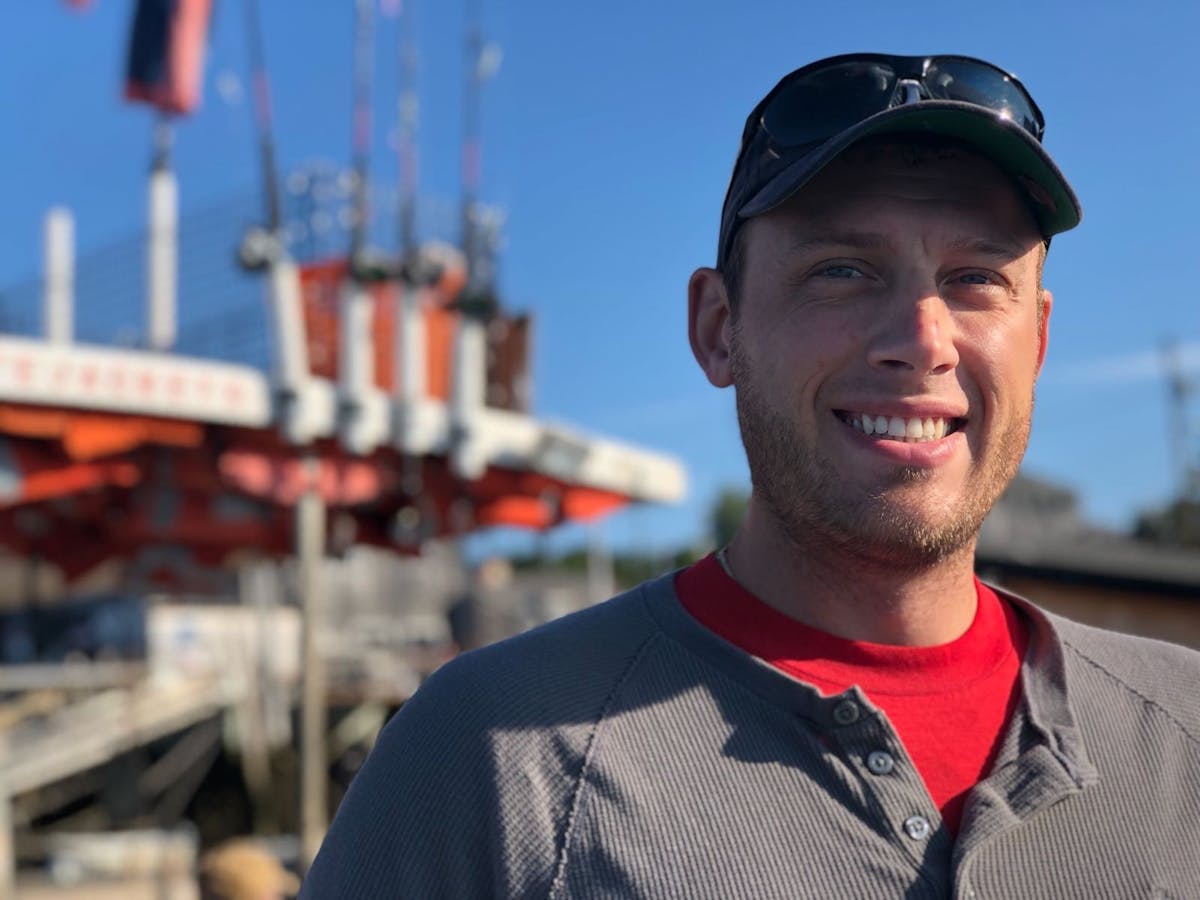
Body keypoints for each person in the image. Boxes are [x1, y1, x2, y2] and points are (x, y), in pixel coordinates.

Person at [301, 53, 1200, 898]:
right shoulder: (491, 752)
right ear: (717, 327)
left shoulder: (1184, 732)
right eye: (841, 271)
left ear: (1038, 338)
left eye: (975, 279)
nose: (922, 341)